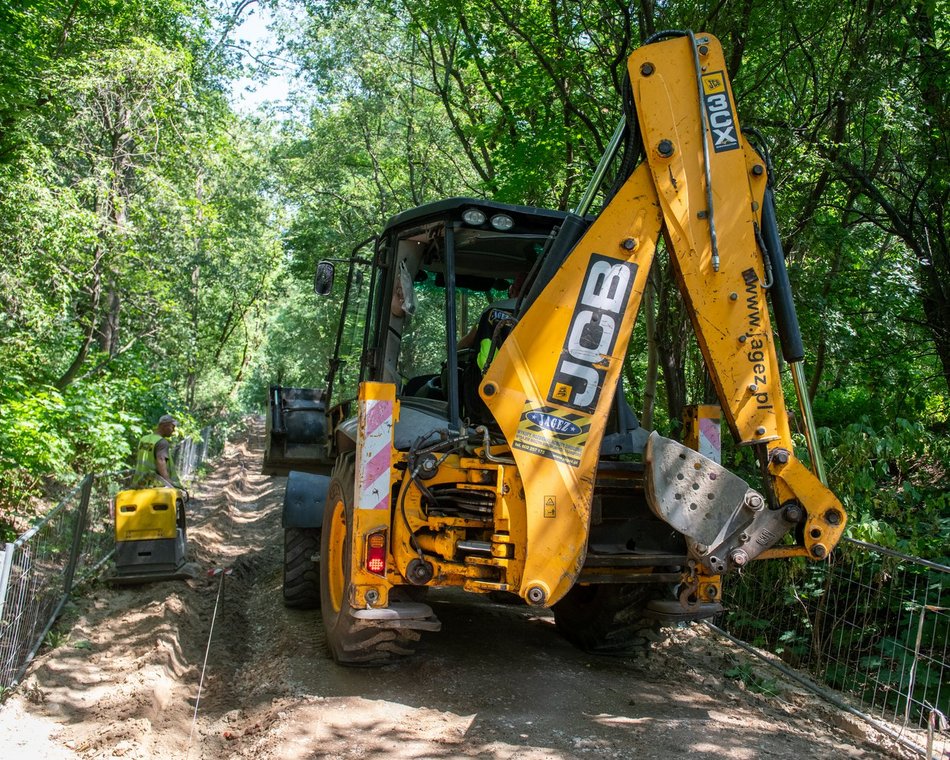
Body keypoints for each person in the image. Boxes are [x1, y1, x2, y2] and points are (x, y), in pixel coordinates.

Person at [457, 273, 527, 371]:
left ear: (512, 290)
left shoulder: (492, 309)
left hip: (489, 374)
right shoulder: (544, 311)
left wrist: (454, 352)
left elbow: (468, 341)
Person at [132, 414, 183, 490]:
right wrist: (167, 481)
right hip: (154, 486)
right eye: (172, 426)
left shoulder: (144, 439)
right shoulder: (162, 442)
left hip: (139, 483)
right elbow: (161, 461)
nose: (173, 430)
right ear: (164, 425)